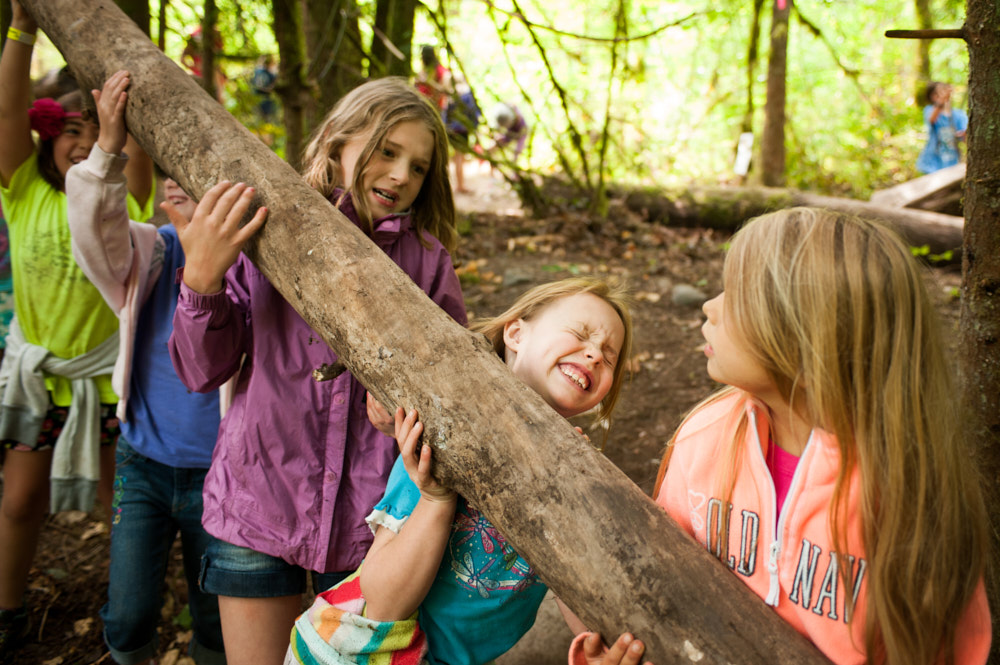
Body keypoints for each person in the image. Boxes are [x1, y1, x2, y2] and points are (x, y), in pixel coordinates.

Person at [572, 208, 991, 665]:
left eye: (737, 296)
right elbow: (649, 587)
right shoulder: (705, 436)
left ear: (808, 346)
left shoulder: (912, 497)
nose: (710, 306)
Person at [168, 76, 467, 665]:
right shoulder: (271, 227)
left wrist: (405, 416)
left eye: (418, 166)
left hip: (370, 523)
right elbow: (203, 372)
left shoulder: (429, 263)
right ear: (335, 141)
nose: (402, 175)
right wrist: (200, 278)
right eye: (387, 151)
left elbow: (451, 392)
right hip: (259, 502)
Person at [287, 276, 635, 665]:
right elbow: (383, 602)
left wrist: (599, 645)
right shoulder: (442, 435)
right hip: (354, 651)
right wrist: (437, 499)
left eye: (609, 355)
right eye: (580, 334)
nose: (594, 356)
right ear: (517, 333)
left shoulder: (573, 474)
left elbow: (569, 578)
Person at [66, 73, 238, 665]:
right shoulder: (150, 253)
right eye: (169, 171)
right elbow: (96, 228)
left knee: (216, 614)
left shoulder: (250, 269)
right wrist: (108, 148)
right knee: (130, 609)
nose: (173, 181)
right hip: (143, 466)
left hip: (222, 476)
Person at [0, 2, 154, 656]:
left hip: (113, 378)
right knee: (18, 501)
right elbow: (6, 111)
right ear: (43, 137)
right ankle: (7, 607)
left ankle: (125, 611)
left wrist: (131, 53)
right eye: (68, 128)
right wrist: (21, 28)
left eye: (95, 129)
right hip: (43, 380)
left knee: (123, 511)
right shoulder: (23, 193)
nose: (83, 140)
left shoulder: (127, 199)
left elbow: (140, 135)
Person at [916, 81, 967, 174]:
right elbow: (931, 119)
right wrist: (942, 100)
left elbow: (965, 136)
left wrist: (963, 135)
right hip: (932, 164)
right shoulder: (929, 110)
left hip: (952, 163)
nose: (941, 95)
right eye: (937, 93)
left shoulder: (959, 115)